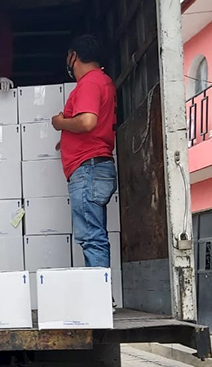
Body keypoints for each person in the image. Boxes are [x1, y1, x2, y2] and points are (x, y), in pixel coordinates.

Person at [51, 34, 117, 272]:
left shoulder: (89, 82)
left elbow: (88, 121)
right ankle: (100, 295)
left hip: (88, 169)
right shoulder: (103, 81)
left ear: (74, 56)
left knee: (92, 237)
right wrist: (67, 138)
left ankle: (99, 299)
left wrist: (60, 123)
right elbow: (93, 126)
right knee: (94, 234)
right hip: (95, 166)